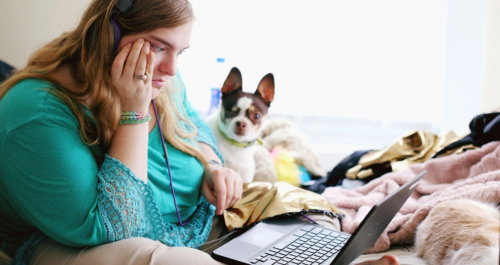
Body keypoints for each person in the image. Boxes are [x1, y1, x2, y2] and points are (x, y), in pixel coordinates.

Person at [0, 0, 401, 264]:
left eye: (181, 52)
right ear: (110, 35)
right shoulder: (35, 111)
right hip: (88, 245)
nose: (172, 70)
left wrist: (213, 166)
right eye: (159, 46)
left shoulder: (162, 77)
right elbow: (114, 226)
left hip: (196, 221)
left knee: (299, 204)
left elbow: (197, 131)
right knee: (167, 261)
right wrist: (134, 112)